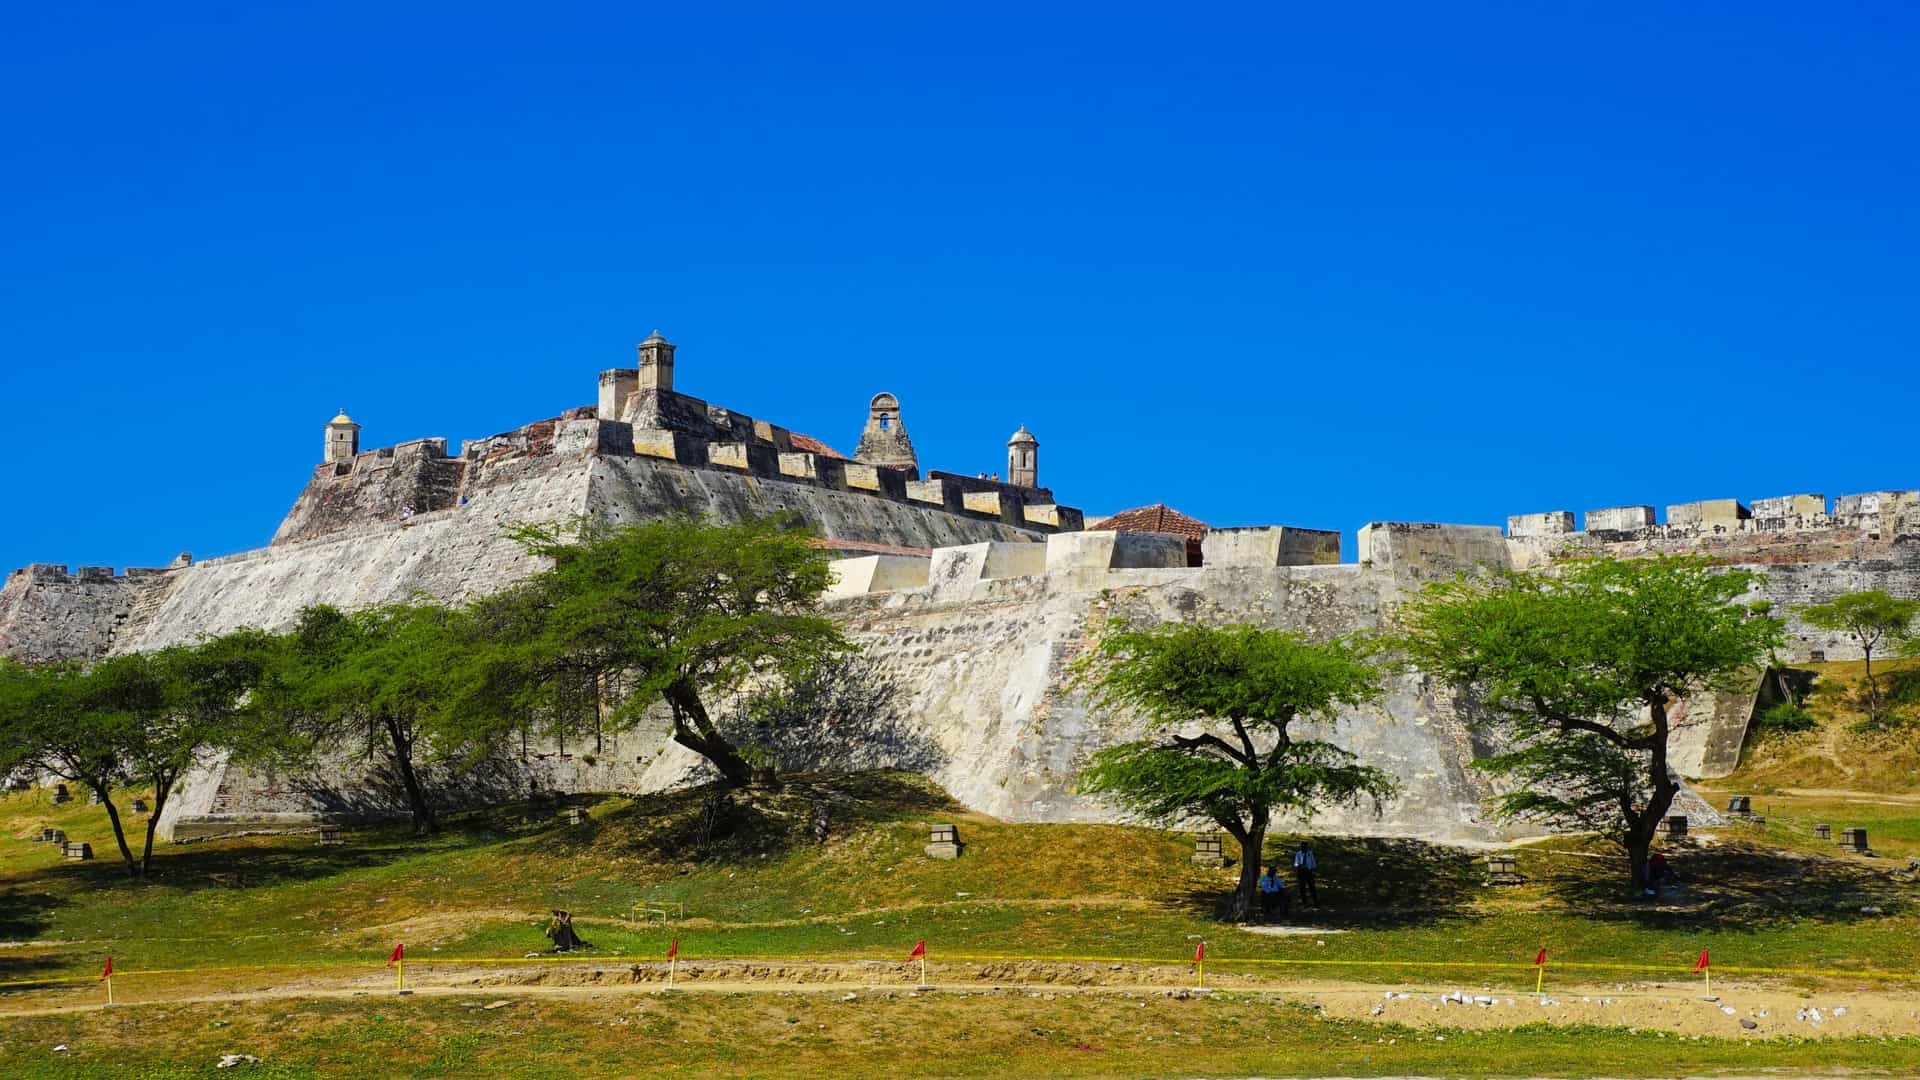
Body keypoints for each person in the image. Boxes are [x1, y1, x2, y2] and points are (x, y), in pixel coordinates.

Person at [1293, 842, 1320, 907]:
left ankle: (1315, 901)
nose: (1304, 848)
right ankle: (1304, 902)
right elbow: (1296, 863)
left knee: (1312, 887)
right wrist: (1299, 865)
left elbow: (1313, 862)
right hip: (1301, 872)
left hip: (1309, 871)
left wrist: (1313, 870)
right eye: (1302, 847)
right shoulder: (1298, 854)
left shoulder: (1310, 853)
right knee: (1302, 887)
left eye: (1305, 847)